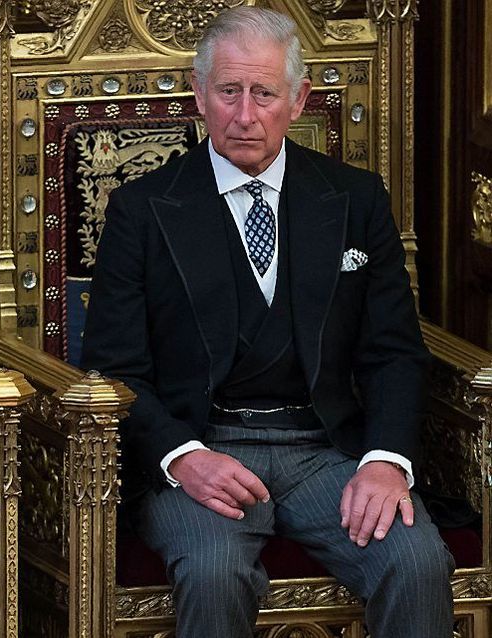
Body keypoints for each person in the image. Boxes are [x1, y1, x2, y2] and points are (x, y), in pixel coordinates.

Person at [81, 7, 453, 638]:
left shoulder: (355, 199)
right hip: (204, 448)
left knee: (415, 561)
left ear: (299, 98)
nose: (245, 115)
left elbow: (392, 349)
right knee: (213, 569)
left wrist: (387, 459)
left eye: (264, 93)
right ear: (199, 96)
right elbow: (111, 368)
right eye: (228, 92)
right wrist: (181, 456)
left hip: (326, 451)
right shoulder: (141, 209)